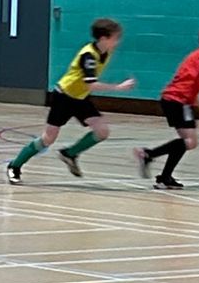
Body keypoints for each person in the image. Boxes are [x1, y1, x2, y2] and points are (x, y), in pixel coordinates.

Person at [7, 18, 134, 182]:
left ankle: (69, 154)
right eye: (115, 38)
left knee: (102, 131)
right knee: (48, 139)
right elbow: (91, 85)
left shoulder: (107, 52)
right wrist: (118, 88)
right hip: (64, 97)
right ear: (103, 38)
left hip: (80, 97)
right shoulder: (88, 55)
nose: (117, 42)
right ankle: (15, 165)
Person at [136, 26, 199, 190]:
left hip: (175, 101)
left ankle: (164, 175)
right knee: (190, 141)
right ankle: (148, 154)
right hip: (177, 101)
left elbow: (196, 96)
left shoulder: (195, 59)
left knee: (188, 141)